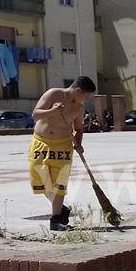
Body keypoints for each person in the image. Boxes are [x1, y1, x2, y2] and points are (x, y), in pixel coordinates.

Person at [29, 77, 97, 231]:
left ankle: (56, 219)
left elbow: (79, 128)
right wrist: (53, 110)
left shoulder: (79, 108)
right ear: (78, 90)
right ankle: (61, 209)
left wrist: (78, 143)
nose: (86, 100)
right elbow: (35, 114)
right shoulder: (53, 94)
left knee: (59, 183)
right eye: (85, 96)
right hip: (42, 142)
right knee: (40, 180)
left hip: (63, 146)